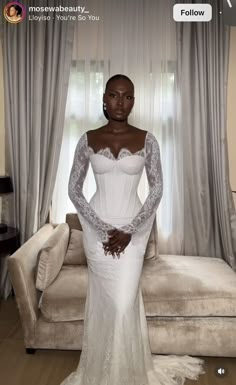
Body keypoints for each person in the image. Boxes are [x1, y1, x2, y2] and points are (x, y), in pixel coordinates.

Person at [62, 74, 204, 385]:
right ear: (104, 98)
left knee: (124, 302)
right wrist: (102, 229)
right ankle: (101, 371)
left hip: (133, 234)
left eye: (127, 97)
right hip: (98, 235)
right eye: (114, 95)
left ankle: (128, 373)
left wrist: (128, 230)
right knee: (105, 303)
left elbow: (157, 190)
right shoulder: (87, 139)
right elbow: (74, 189)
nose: (120, 102)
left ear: (134, 101)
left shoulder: (147, 139)